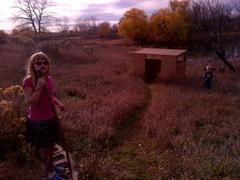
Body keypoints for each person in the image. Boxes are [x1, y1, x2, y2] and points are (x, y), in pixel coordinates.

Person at [23, 52, 65, 180]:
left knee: (51, 145)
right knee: (46, 148)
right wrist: (39, 86)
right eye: (38, 62)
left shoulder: (49, 79)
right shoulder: (29, 81)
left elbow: (50, 95)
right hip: (39, 121)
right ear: (33, 65)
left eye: (45, 62)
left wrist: (58, 104)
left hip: (51, 117)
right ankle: (50, 174)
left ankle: (50, 166)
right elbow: (31, 102)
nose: (42, 64)